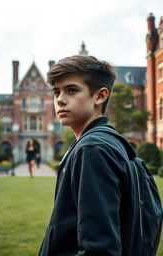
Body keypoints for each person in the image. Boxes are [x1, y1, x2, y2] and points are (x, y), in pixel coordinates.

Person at [38, 55, 159, 255]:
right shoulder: (109, 142)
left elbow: (99, 248)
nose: (60, 100)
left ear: (100, 96)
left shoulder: (93, 149)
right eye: (56, 92)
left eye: (71, 90)